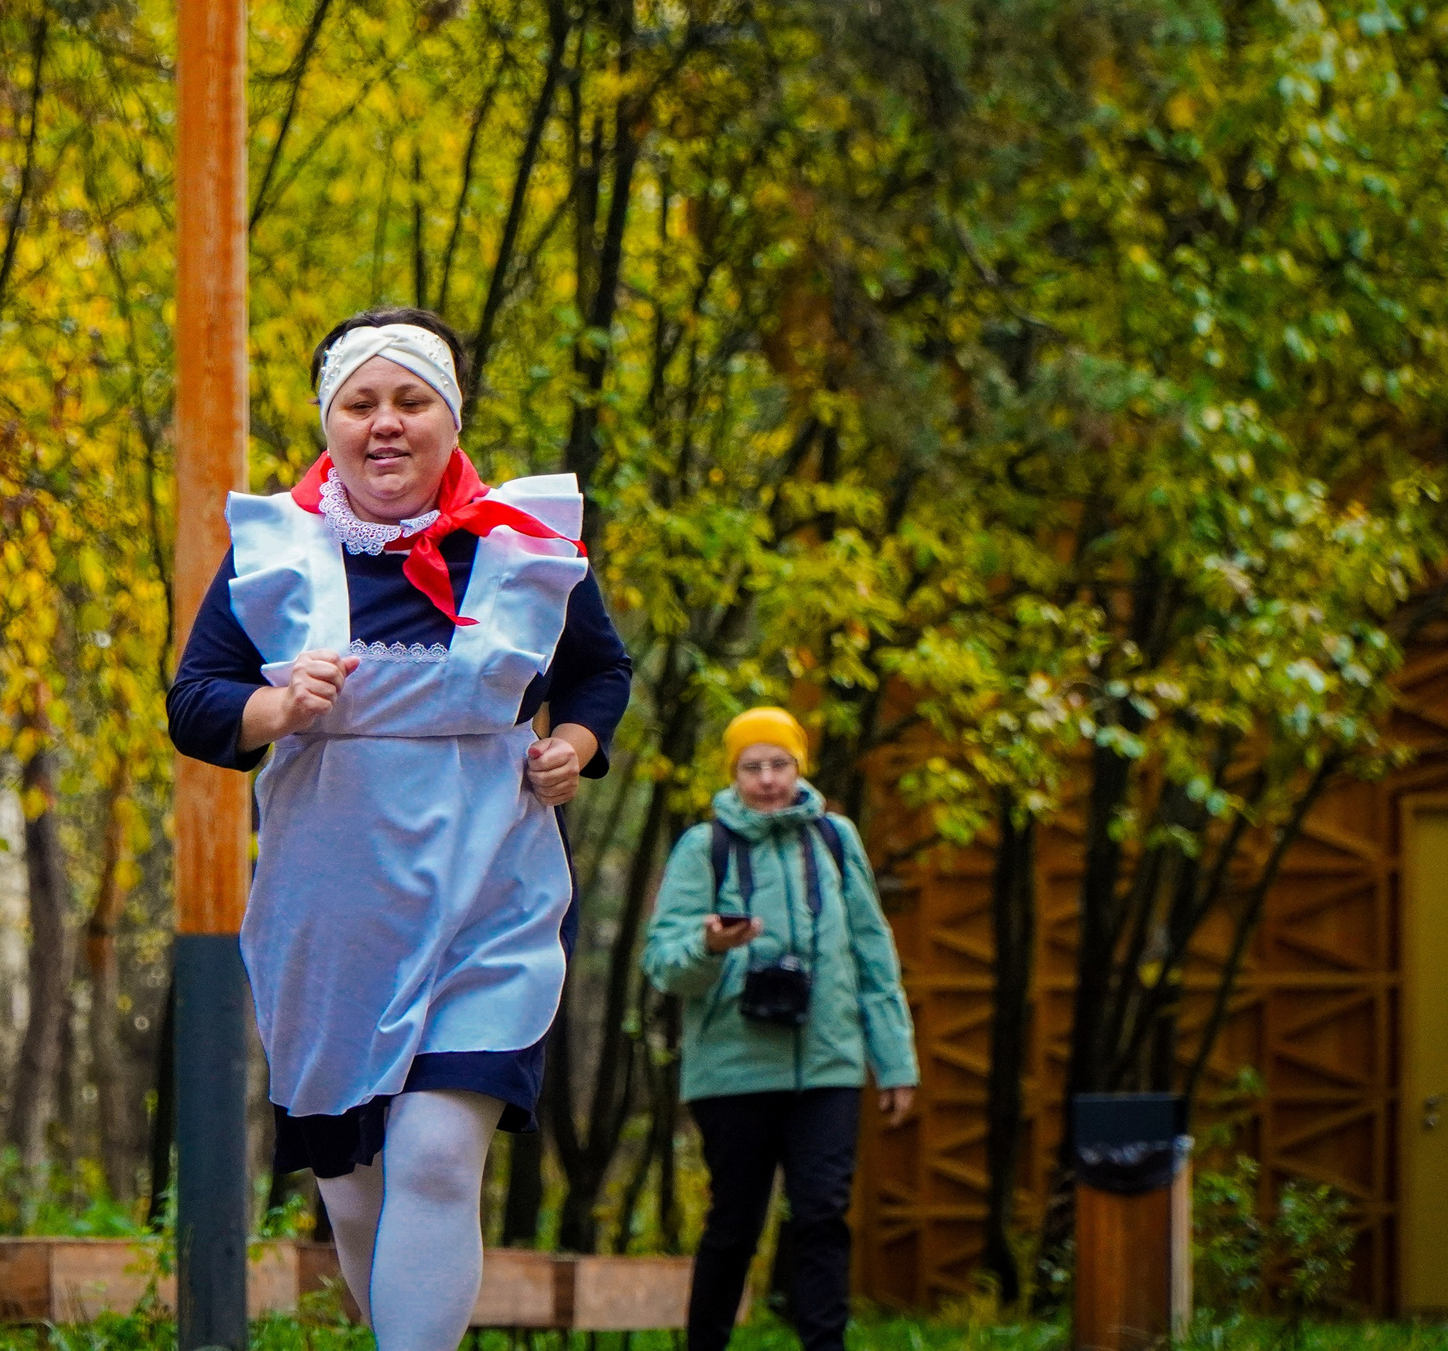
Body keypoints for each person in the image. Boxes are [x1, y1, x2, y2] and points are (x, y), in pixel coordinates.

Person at [167, 307, 631, 1351]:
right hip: (333, 930)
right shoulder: (276, 557)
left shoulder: (523, 548)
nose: (385, 424)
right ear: (329, 422)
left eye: (410, 401)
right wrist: (277, 710)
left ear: (448, 419)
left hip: (489, 908)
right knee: (359, 1195)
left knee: (431, 1156)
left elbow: (599, 669)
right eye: (360, 403)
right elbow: (194, 703)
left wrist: (578, 743)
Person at [642, 707, 917, 1351]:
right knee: (734, 1224)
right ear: (733, 774)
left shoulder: (835, 840)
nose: (767, 780)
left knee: (823, 1217)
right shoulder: (702, 848)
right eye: (751, 767)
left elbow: (874, 954)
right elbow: (661, 963)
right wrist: (709, 946)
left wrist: (896, 1061)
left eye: (780, 764)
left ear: (800, 768)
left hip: (829, 1064)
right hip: (732, 1069)